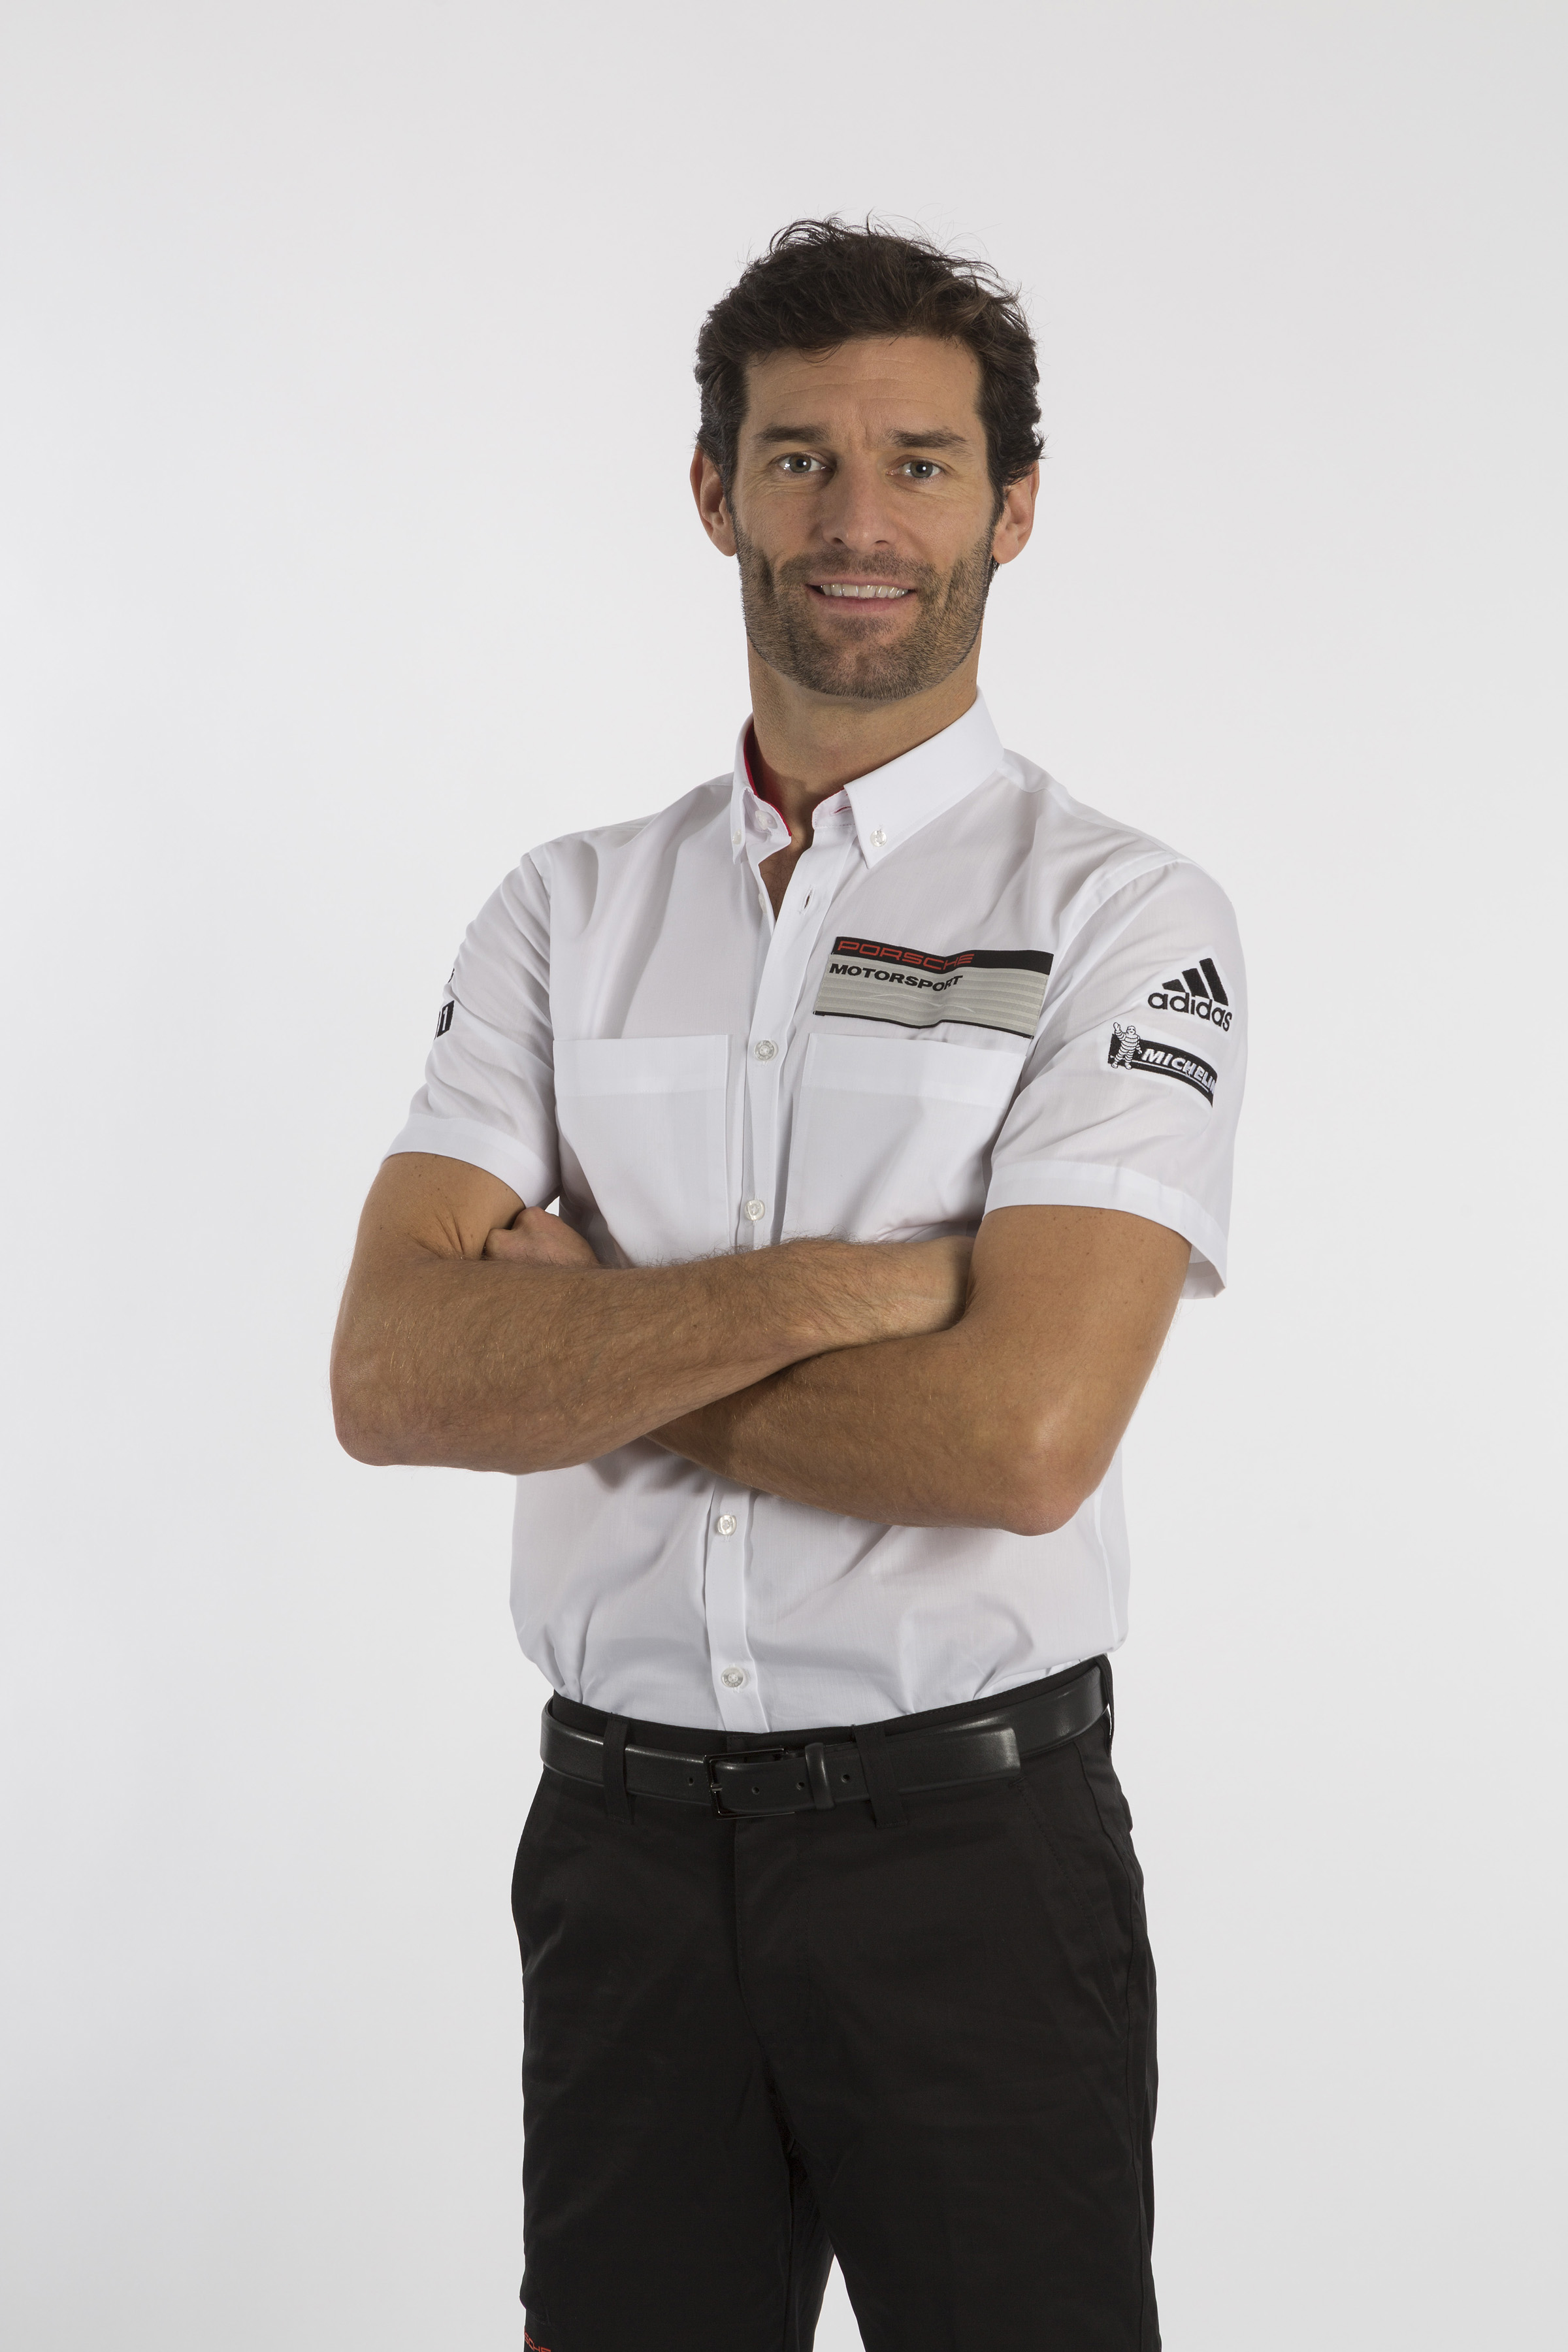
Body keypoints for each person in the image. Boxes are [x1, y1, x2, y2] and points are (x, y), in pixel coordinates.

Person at [331, 217, 1246, 2352]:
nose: (859, 521)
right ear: (714, 492)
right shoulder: (566, 913)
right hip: (622, 1862)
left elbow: (1022, 1442)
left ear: (1015, 507)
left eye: (921, 464)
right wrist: (867, 1290)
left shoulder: (1124, 916)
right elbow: (393, 1374)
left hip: (971, 1870)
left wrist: (584, 1332)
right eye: (801, 459)